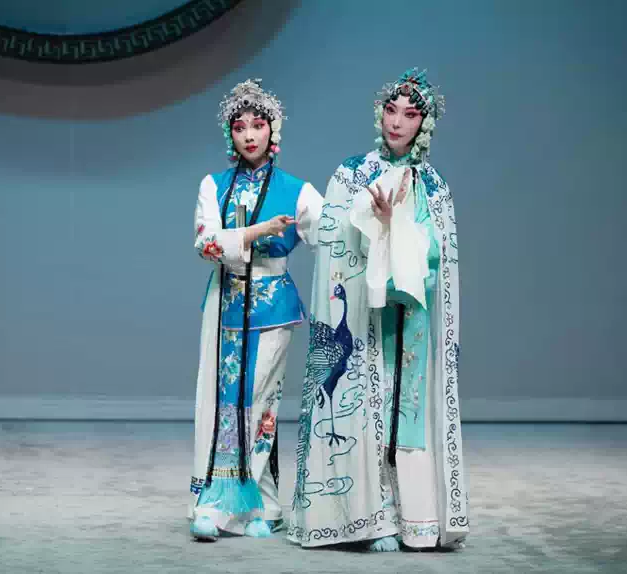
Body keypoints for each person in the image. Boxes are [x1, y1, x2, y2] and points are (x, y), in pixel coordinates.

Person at [288, 68, 468, 551]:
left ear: (424, 125)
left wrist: (397, 227)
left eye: (410, 115)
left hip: (411, 315)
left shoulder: (432, 185)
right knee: (364, 408)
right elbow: (336, 249)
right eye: (391, 110)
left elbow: (437, 254)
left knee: (405, 411)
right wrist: (378, 229)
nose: (397, 122)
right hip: (364, 316)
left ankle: (416, 520)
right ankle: (369, 520)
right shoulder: (352, 174)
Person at [188, 79, 323, 541]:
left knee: (259, 401)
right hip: (226, 301)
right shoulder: (214, 185)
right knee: (226, 401)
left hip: (273, 305)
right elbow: (206, 243)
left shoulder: (297, 190)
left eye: (259, 125)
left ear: (273, 131)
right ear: (231, 134)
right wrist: (254, 232)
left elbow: (334, 233)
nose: (249, 134)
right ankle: (252, 504)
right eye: (240, 126)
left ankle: (232, 506)